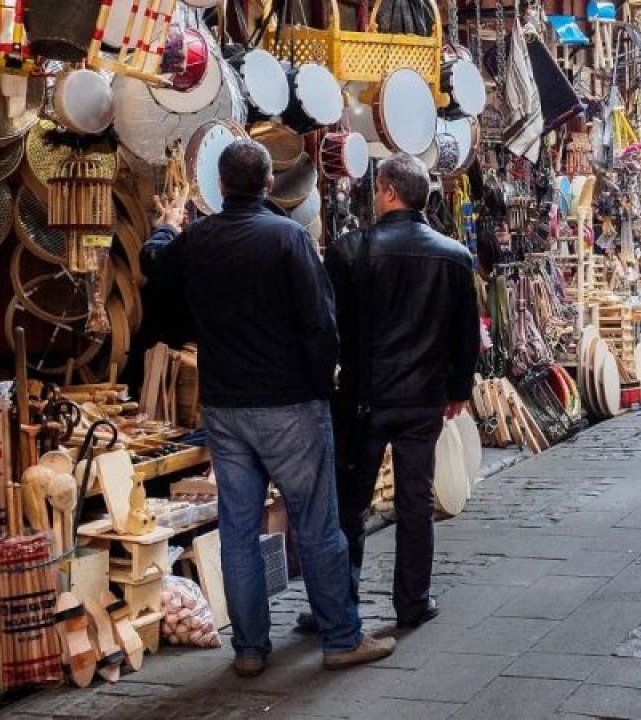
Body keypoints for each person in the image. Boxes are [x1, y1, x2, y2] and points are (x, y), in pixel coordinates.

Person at [143, 140, 395, 676]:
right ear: (266, 184)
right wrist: (319, 384)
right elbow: (320, 324)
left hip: (225, 406)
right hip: (289, 403)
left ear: (221, 185)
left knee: (237, 529)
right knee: (317, 523)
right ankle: (340, 638)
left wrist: (165, 224)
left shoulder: (198, 239)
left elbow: (157, 264)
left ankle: (251, 650)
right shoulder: (288, 238)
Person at [323, 154, 481, 630]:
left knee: (350, 504)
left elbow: (330, 327)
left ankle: (340, 602)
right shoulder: (453, 255)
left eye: (376, 190)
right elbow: (465, 334)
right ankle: (412, 602)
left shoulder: (350, 250)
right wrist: (457, 388)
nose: (374, 198)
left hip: (363, 400)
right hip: (423, 400)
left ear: (390, 191)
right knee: (415, 503)